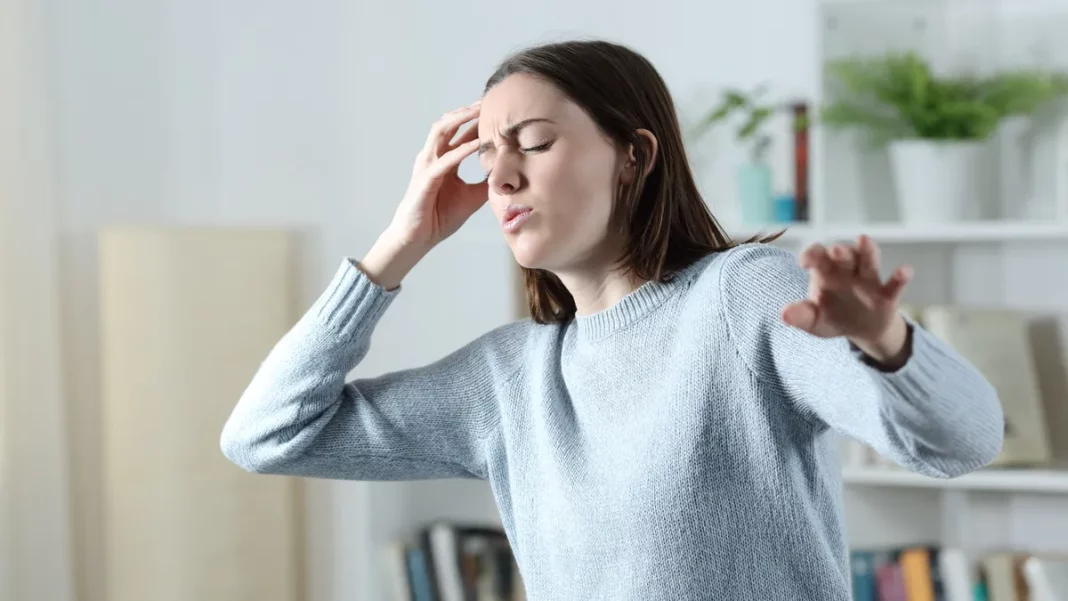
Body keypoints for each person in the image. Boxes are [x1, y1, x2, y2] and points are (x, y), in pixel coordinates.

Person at [220, 39, 1003, 600]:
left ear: (633, 154)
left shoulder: (740, 297)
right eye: (488, 156)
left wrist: (885, 343)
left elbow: (964, 442)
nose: (503, 174)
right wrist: (402, 241)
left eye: (532, 142)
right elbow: (264, 434)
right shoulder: (507, 380)